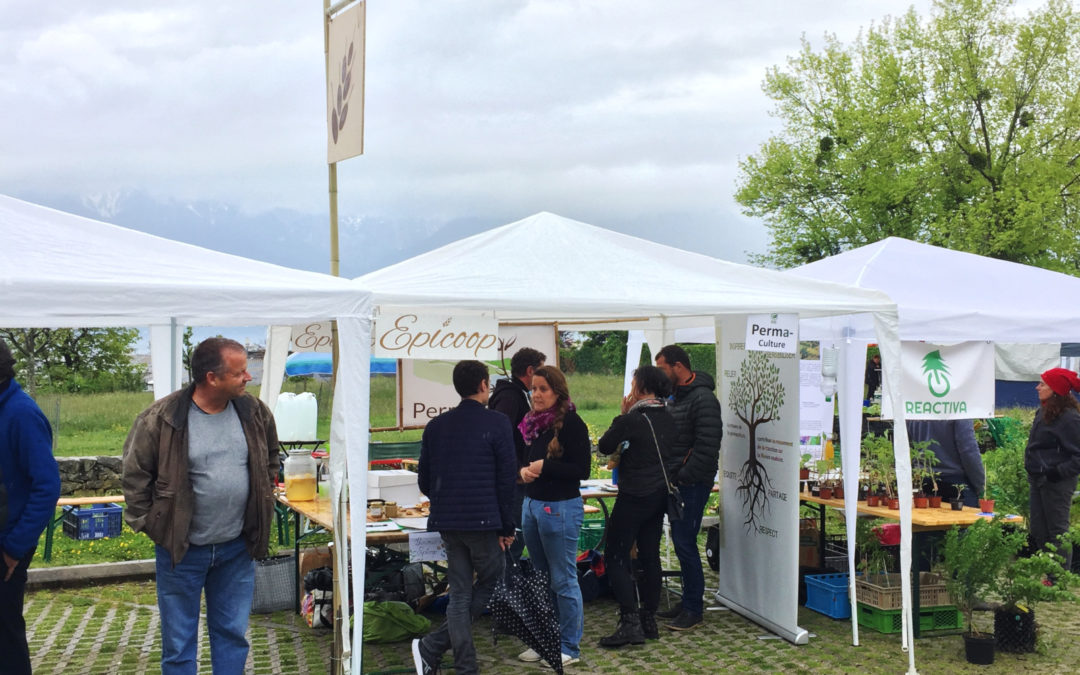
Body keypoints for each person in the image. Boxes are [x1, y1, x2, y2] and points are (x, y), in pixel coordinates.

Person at [122, 337, 278, 675]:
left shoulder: (254, 412)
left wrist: (263, 494)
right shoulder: (161, 418)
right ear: (211, 377)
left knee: (233, 635)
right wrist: (156, 524)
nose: (247, 377)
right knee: (178, 644)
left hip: (237, 547)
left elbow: (271, 459)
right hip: (182, 550)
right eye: (239, 373)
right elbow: (135, 477)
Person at [411, 360, 517, 675]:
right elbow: (506, 479)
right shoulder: (498, 423)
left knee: (459, 593)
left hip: (447, 522)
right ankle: (442, 653)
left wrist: (446, 500)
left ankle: (450, 658)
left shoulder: (436, 425)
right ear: (484, 384)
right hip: (483, 522)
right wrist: (507, 526)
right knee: (491, 579)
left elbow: (424, 481)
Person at [596, 365, 680, 647]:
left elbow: (605, 446)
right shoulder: (670, 418)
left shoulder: (632, 419)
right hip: (658, 497)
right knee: (649, 555)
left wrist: (622, 414)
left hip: (633, 496)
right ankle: (649, 620)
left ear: (641, 387)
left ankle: (630, 621)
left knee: (616, 556)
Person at [517, 365, 591, 668]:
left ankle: (569, 646)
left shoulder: (572, 424)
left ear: (557, 392)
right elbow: (526, 462)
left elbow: (581, 470)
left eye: (543, 389)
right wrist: (523, 472)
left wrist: (544, 468)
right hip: (532, 504)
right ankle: (545, 638)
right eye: (533, 389)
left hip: (559, 507)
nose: (536, 395)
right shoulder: (533, 424)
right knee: (540, 576)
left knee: (563, 578)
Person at [0, 339, 61, 675]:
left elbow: (47, 486)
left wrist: (13, 549)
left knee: (5, 641)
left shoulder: (21, 413)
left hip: (5, 547)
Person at [654, 345, 722, 631]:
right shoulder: (674, 397)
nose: (659, 375)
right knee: (682, 542)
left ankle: (694, 608)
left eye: (662, 369)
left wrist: (684, 475)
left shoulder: (704, 399)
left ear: (678, 367)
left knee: (684, 541)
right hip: (677, 480)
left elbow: (708, 445)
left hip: (692, 482)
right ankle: (688, 599)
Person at [488, 347, 546, 559]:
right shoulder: (510, 398)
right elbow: (500, 438)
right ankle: (504, 586)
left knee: (517, 536)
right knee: (512, 537)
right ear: (530, 371)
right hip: (512, 480)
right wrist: (516, 470)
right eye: (541, 370)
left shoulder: (518, 395)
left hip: (517, 476)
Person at [1025, 367, 1080, 572]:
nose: (1038, 387)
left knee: (1057, 531)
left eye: (1043, 384)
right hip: (1038, 478)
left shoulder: (1070, 419)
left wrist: (1057, 471)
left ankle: (1058, 578)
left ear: (1055, 389)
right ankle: (1047, 571)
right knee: (1039, 530)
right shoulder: (1044, 411)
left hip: (1057, 481)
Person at [906, 419, 984, 508]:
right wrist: (981, 486)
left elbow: (908, 446)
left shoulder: (914, 408)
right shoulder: (960, 408)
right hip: (956, 483)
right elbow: (968, 450)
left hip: (924, 482)